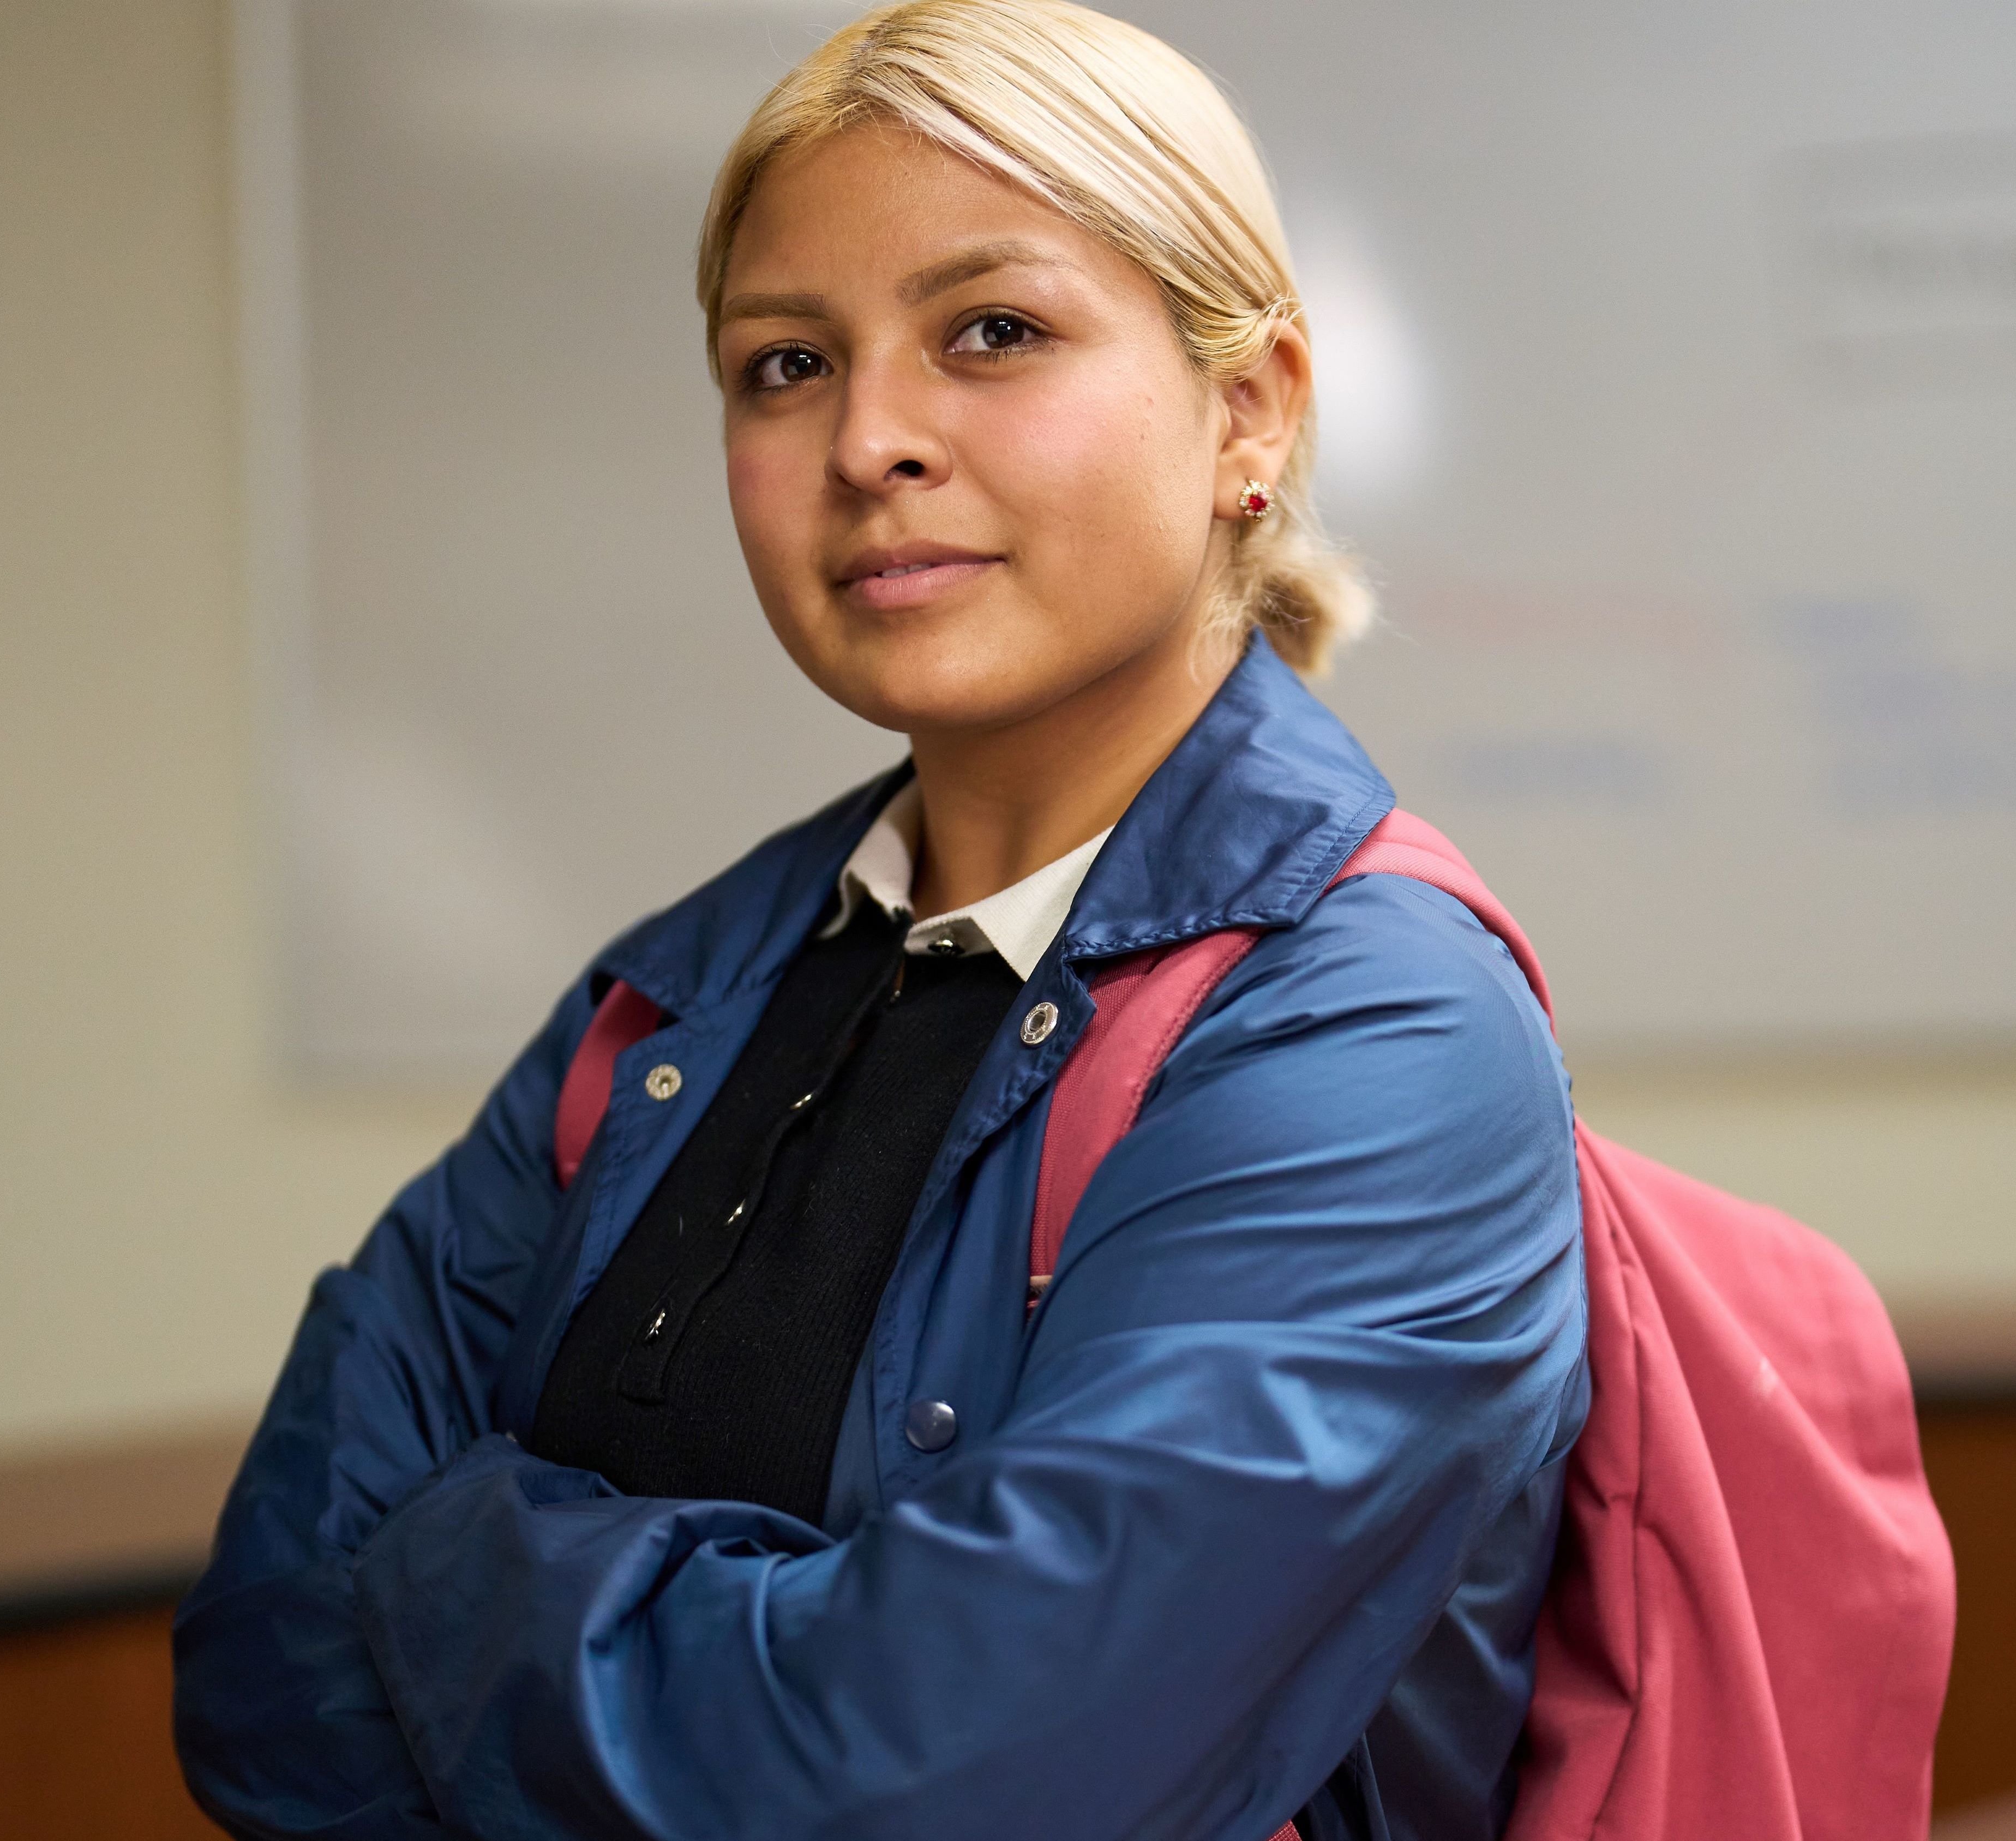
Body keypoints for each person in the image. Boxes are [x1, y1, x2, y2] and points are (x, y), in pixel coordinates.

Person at [172, 4, 1588, 1836]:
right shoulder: (681, 991)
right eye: (785, 365)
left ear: (1250, 409)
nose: (870, 442)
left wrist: (462, 1559)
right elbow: (263, 1676)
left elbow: (947, 1787)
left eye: (991, 331)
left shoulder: (1378, 1038)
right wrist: (772, 1657)